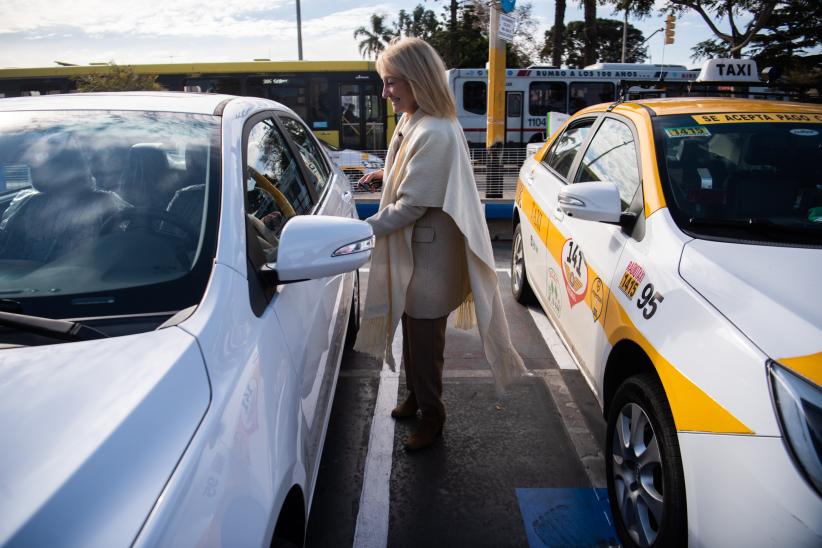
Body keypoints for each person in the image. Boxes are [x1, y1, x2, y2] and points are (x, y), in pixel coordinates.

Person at [354, 37, 526, 451]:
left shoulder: (434, 130)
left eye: (391, 82)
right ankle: (417, 396)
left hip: (428, 255)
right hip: (420, 251)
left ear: (416, 79)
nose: (385, 93)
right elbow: (410, 172)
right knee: (413, 332)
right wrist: (385, 175)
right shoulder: (420, 118)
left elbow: (411, 205)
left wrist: (361, 232)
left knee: (426, 341)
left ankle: (433, 413)